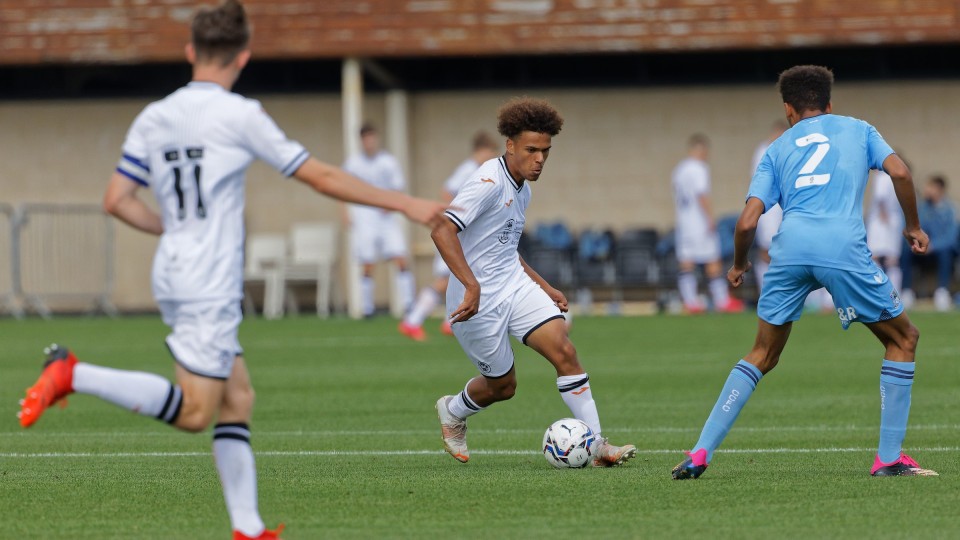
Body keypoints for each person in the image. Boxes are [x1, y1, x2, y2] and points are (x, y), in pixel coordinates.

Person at [16, 2, 448, 539]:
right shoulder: (240, 115)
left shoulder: (155, 116)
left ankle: (249, 528)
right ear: (243, 56)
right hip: (208, 280)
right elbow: (320, 176)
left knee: (237, 398)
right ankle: (72, 374)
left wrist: (172, 228)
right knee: (198, 412)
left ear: (190, 51)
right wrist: (405, 204)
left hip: (174, 269)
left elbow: (116, 199)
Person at [672, 65, 938, 480]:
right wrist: (913, 226)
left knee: (762, 354)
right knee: (904, 338)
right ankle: (888, 458)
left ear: (789, 109)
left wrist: (739, 265)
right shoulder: (859, 129)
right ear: (829, 104)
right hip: (842, 249)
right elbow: (901, 173)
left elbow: (746, 222)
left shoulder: (776, 149)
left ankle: (701, 452)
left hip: (790, 252)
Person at [432, 97, 636, 467]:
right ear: (509, 145)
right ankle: (453, 410)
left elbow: (506, 248)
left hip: (514, 285)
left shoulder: (523, 187)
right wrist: (472, 286)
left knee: (565, 351)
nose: (540, 159)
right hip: (474, 300)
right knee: (503, 387)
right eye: (531, 150)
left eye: (546, 151)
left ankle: (597, 446)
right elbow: (442, 229)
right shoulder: (487, 181)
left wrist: (545, 286)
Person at [399, 131, 499, 340]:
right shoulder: (468, 170)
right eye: (490, 152)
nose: (492, 156)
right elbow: (446, 192)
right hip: (454, 234)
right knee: (445, 280)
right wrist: (454, 219)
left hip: (464, 235)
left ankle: (450, 322)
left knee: (465, 277)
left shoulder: (477, 169)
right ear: (481, 151)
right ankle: (412, 320)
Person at [342, 122, 415, 317]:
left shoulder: (388, 161)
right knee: (367, 263)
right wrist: (345, 212)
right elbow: (342, 189)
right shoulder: (353, 163)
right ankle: (367, 308)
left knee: (400, 257)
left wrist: (390, 203)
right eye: (366, 139)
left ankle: (408, 304)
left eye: (372, 138)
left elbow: (398, 187)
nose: (369, 143)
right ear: (361, 141)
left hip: (386, 216)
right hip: (364, 216)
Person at [671, 134, 745, 313]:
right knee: (713, 260)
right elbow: (701, 194)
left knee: (687, 262)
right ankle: (722, 300)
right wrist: (710, 218)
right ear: (701, 150)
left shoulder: (679, 170)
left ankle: (690, 301)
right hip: (698, 223)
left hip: (684, 223)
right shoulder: (699, 168)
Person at [900, 175, 957, 311]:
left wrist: (933, 246)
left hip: (939, 251)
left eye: (931, 187)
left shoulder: (950, 210)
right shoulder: (922, 208)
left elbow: (951, 237)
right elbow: (914, 228)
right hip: (922, 250)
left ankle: (942, 292)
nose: (927, 190)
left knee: (946, 252)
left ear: (939, 189)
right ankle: (906, 291)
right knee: (906, 249)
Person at [752, 120, 788, 291]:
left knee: (783, 250)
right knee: (767, 251)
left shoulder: (782, 150)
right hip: (768, 208)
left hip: (780, 209)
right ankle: (766, 290)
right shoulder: (764, 151)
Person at [866, 167, 906, 292]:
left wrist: (883, 212)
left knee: (875, 258)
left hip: (881, 220)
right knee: (892, 259)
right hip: (894, 219)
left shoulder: (883, 177)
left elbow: (880, 196)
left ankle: (877, 292)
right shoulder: (895, 178)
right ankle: (895, 294)